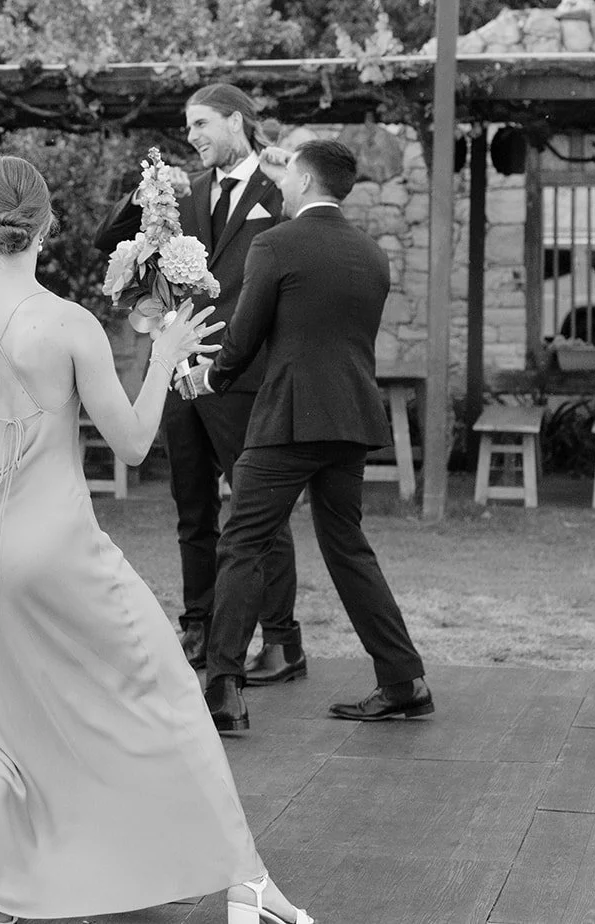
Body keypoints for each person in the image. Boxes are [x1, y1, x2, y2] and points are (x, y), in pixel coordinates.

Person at [0, 156, 313, 924]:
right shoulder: (72, 324)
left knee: (1, 720)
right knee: (167, 693)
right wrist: (165, 357)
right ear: (47, 227)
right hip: (61, 546)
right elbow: (135, 443)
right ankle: (245, 883)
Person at [183, 139, 432, 734]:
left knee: (243, 543)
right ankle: (404, 681)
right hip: (351, 420)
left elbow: (243, 338)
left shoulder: (275, 244)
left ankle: (223, 690)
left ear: (303, 179)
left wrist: (207, 378)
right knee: (347, 547)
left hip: (289, 420)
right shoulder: (372, 254)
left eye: (288, 174)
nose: (282, 183)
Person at [94, 85, 303, 685]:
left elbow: (301, 259)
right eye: (189, 127)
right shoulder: (181, 194)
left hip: (246, 375)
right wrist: (146, 195)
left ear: (237, 122)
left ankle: (282, 641)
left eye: (202, 123)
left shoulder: (279, 190)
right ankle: (199, 628)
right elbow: (108, 241)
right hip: (178, 371)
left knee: (260, 512)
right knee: (192, 508)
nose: (192, 136)